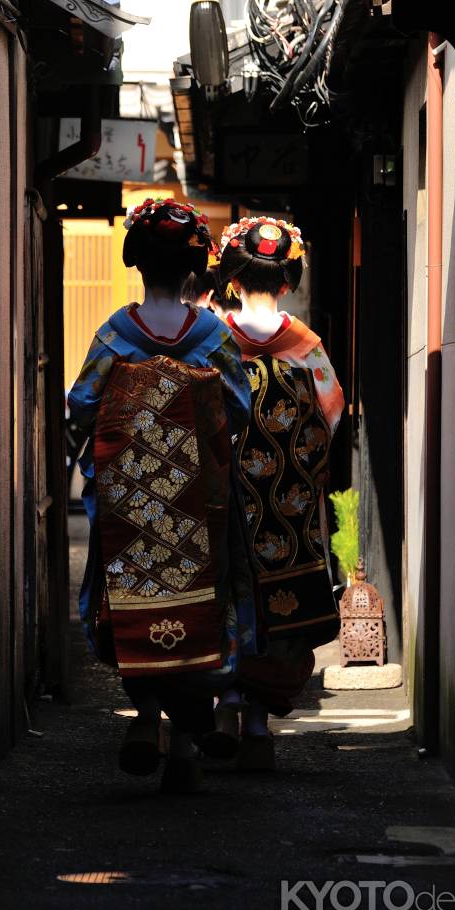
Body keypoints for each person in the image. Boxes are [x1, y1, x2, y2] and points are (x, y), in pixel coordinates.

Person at [67, 197, 259, 792]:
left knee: (130, 599)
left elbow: (81, 406)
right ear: (194, 270)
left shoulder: (116, 332)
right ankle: (185, 743)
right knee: (207, 603)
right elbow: (239, 405)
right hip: (201, 502)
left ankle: (147, 716)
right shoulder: (210, 334)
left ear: (136, 263)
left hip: (132, 506)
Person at [217, 214, 345, 770]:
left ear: (231, 278)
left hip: (221, 495)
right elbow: (332, 413)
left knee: (223, 594)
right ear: (289, 280)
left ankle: (222, 703)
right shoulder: (305, 345)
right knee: (276, 608)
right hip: (284, 503)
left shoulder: (211, 335)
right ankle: (258, 727)